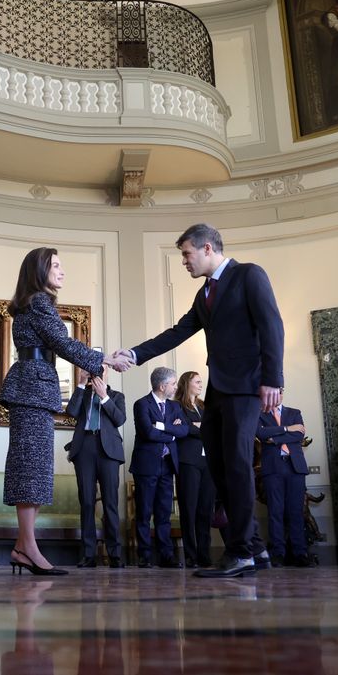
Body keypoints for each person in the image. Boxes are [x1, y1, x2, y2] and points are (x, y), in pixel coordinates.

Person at [113, 223, 284, 578]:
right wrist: (134, 353)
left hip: (246, 387)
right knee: (220, 468)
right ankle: (254, 546)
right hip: (218, 391)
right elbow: (178, 332)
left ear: (208, 248)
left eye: (187, 254)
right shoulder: (205, 293)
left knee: (236, 464)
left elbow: (272, 325)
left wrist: (273, 379)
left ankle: (240, 553)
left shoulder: (248, 275)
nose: (184, 262)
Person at [0, 247, 120, 576]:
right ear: (39, 271)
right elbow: (63, 343)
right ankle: (27, 547)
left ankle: (25, 546)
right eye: (55, 265)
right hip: (32, 390)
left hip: (34, 390)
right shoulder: (38, 301)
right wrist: (103, 359)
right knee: (30, 470)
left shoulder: (35, 302)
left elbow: (58, 343)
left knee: (35, 470)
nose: (62, 270)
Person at [65, 366, 127, 569]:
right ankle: (89, 554)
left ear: (107, 373)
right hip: (84, 449)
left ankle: (115, 554)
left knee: (110, 503)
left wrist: (104, 396)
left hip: (108, 451)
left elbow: (119, 419)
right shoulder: (82, 394)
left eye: (102, 370)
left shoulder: (117, 396)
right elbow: (71, 412)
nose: (98, 373)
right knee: (88, 502)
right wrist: (81, 383)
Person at [129, 367, 188, 569]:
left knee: (164, 513)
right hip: (146, 466)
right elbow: (147, 432)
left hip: (167, 465)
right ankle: (144, 555)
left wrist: (162, 427)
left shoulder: (175, 406)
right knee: (144, 512)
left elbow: (184, 430)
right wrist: (172, 431)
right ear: (162, 386)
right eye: (173, 383)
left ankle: (166, 556)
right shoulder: (141, 404)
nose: (176, 387)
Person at [256, 393, 310, 567]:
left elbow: (299, 436)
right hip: (273, 468)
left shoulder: (295, 413)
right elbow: (262, 434)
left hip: (295, 467)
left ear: (282, 393)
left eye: (279, 391)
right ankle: (278, 553)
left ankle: (299, 553)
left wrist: (275, 438)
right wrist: (287, 429)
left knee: (296, 511)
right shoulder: (259, 414)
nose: (276, 395)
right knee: (275, 512)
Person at [173, 371, 216, 568]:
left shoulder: (204, 406)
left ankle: (204, 554)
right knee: (189, 509)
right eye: (197, 381)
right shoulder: (176, 406)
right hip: (188, 461)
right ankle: (190, 554)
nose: (201, 384)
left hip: (208, 462)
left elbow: (213, 428)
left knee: (206, 510)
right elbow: (183, 428)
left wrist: (198, 426)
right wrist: (200, 428)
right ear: (187, 384)